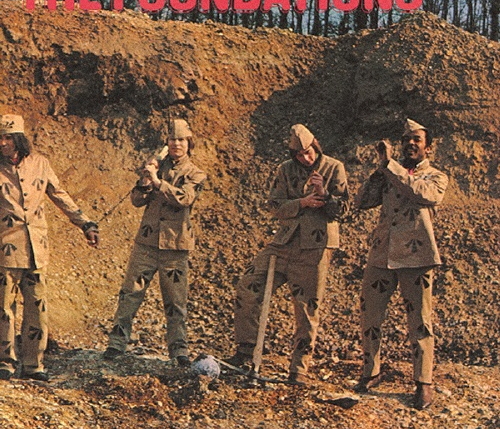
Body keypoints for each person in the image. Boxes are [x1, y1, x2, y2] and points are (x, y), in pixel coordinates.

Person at [227, 124, 349, 385]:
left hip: (315, 247)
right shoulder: (285, 170)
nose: (306, 158)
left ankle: (299, 368)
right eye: (300, 155)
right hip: (284, 243)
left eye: (309, 152)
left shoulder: (334, 167)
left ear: (316, 146)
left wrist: (324, 194)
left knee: (307, 307)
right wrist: (301, 203)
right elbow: (274, 205)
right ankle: (246, 350)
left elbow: (344, 211)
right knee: (248, 285)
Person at [353, 118, 448, 409]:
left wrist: (390, 166)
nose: (410, 144)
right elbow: (362, 201)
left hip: (417, 258)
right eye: (406, 139)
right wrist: (379, 171)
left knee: (420, 321)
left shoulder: (436, 177)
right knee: (370, 314)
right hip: (382, 254)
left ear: (428, 148)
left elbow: (420, 193)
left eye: (417, 140)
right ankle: (371, 371)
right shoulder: (390, 172)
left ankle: (423, 381)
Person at [0, 114, 99, 381]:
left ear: (19, 139)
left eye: (8, 138)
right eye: (0, 138)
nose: (3, 143)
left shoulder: (40, 164)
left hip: (36, 251)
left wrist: (85, 223)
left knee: (37, 310)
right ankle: (5, 363)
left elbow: (59, 194)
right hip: (5, 251)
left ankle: (34, 365)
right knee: (4, 310)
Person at [104, 119, 206, 366]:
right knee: (130, 294)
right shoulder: (156, 167)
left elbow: (184, 198)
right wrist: (145, 181)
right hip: (147, 243)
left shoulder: (195, 173)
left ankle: (179, 350)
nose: (176, 144)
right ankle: (116, 344)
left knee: (175, 302)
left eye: (181, 140)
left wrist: (158, 182)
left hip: (175, 246)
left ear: (189, 143)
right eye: (172, 140)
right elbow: (137, 201)